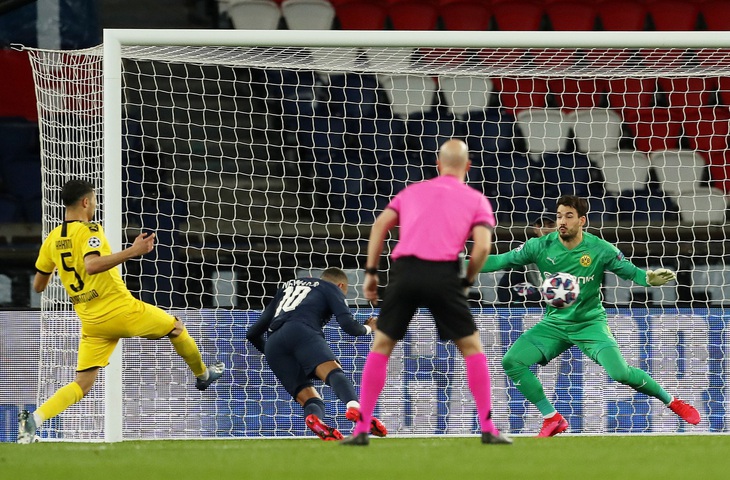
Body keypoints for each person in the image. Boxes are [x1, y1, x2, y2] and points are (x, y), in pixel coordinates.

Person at [17, 179, 224, 444]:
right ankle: (203, 375)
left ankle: (34, 420)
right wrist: (134, 250)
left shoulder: (53, 240)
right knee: (176, 327)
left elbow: (38, 285)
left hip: (92, 322)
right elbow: (92, 266)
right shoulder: (90, 230)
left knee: (82, 384)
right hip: (121, 310)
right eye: (93, 200)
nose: (94, 205)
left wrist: (62, 267)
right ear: (85, 202)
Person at [479, 194, 701, 437]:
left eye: (569, 216)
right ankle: (552, 418)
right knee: (512, 362)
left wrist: (648, 279)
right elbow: (502, 260)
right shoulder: (540, 246)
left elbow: (631, 273)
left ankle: (672, 402)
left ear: (582, 221)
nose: (562, 221)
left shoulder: (600, 249)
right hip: (555, 324)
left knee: (620, 374)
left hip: (589, 324)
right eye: (559, 216)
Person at [341, 139, 512, 446]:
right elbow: (483, 247)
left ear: (437, 165)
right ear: (468, 167)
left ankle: (362, 428)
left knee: (381, 346)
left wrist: (370, 273)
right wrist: (468, 278)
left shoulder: (413, 191)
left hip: (405, 271)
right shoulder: (476, 199)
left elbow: (380, 226)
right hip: (444, 273)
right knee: (472, 348)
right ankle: (488, 427)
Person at [246, 267, 387, 441]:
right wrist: (369, 328)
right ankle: (354, 408)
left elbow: (252, 333)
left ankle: (315, 420)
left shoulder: (287, 287)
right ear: (341, 285)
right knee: (334, 373)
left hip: (273, 344)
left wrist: (272, 354)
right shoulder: (330, 287)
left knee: (311, 399)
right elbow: (349, 326)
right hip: (301, 331)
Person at [496, 215, 557, 305]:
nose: (546, 230)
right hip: (537, 308)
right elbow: (503, 292)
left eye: (551, 226)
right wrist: (532, 299)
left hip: (567, 306)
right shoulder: (526, 255)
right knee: (525, 288)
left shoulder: (570, 253)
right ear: (535, 229)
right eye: (541, 226)